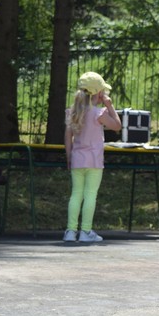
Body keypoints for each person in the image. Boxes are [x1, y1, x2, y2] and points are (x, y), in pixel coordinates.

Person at [62, 72, 122, 243]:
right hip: (94, 161)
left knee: (76, 194)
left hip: (77, 159)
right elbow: (117, 126)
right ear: (99, 93)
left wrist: (69, 157)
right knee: (90, 195)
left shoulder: (72, 112)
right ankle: (86, 231)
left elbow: (68, 137)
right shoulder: (99, 113)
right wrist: (110, 106)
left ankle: (70, 231)